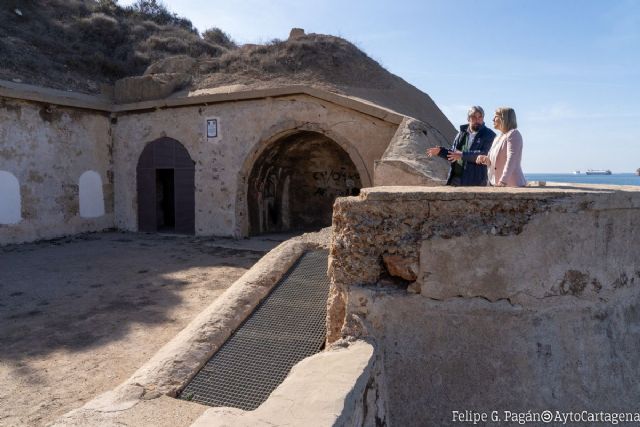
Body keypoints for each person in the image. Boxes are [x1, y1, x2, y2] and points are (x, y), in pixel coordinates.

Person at [426, 106, 496, 186]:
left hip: (475, 181)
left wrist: (462, 155)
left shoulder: (489, 135)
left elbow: (485, 154)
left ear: (483, 118)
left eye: (480, 117)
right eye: (474, 117)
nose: (477, 120)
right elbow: (454, 154)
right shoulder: (461, 134)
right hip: (455, 179)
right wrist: (441, 151)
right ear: (468, 119)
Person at [476, 107, 527, 187]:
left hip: (512, 186)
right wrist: (485, 159)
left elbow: (511, 160)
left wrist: (503, 181)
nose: (493, 119)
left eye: (496, 116)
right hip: (498, 185)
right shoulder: (498, 137)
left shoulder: (513, 134)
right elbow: (493, 162)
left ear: (504, 118)